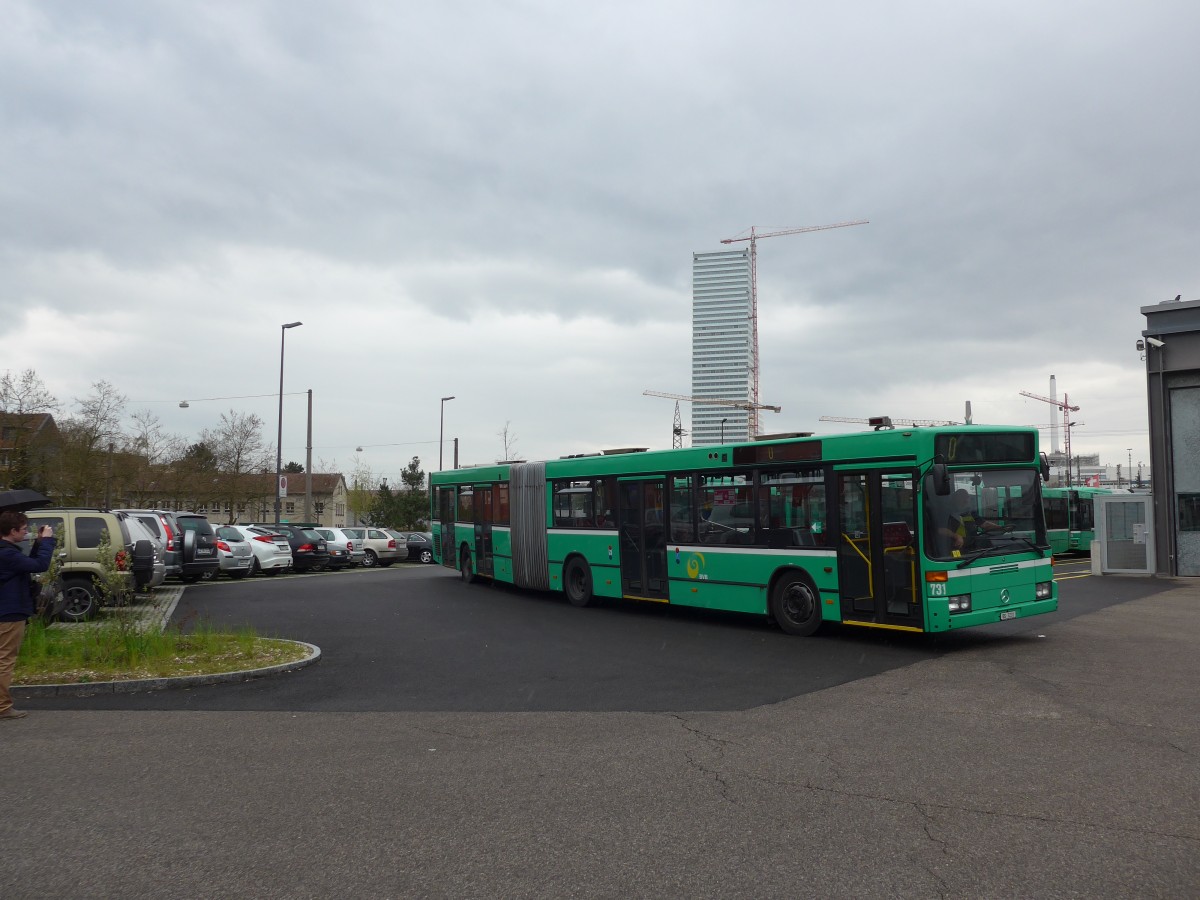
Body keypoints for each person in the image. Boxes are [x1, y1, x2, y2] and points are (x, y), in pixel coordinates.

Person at [0, 511, 56, 720]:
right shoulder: (7, 554)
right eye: (23, 530)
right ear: (12, 531)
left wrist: (39, 542)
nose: (26, 532)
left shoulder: (8, 552)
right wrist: (48, 541)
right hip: (9, 613)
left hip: (6, 610)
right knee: (5, 659)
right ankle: (3, 707)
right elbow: (39, 565)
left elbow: (28, 563)